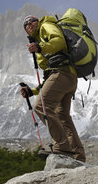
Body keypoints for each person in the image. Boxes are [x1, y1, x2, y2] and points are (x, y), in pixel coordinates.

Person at [20, 15, 86, 162]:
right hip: (67, 77)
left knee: (41, 106)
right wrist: (32, 91)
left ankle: (62, 147)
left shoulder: (46, 26)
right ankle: (78, 156)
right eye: (26, 24)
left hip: (61, 74)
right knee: (62, 116)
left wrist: (40, 47)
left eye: (32, 21)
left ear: (38, 22)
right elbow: (48, 80)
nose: (29, 24)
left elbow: (59, 41)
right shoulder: (39, 40)